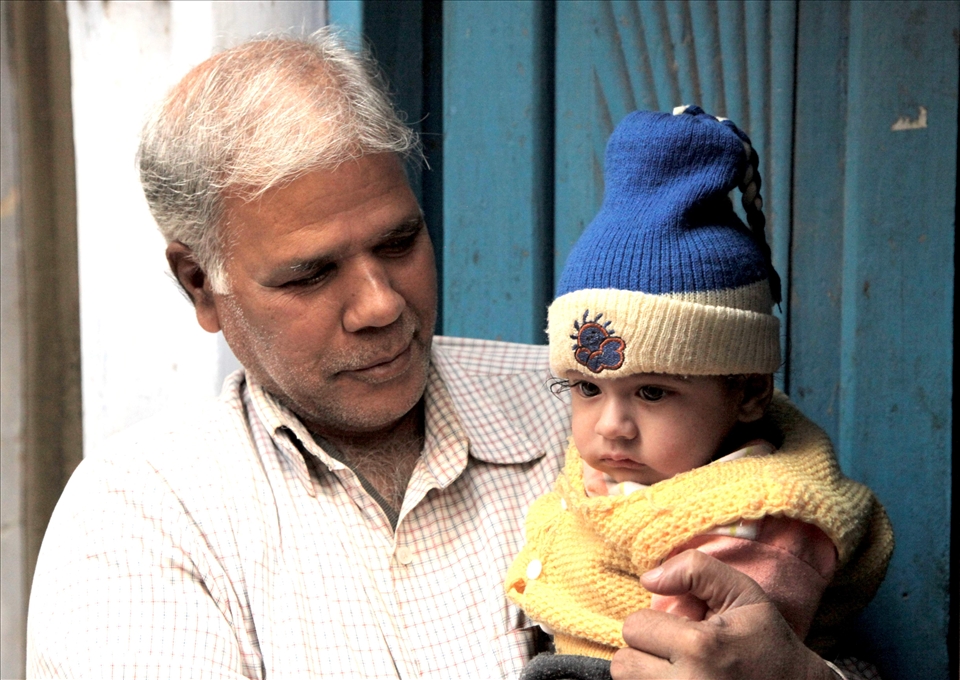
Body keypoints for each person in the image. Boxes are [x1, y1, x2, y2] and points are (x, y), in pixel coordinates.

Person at [25, 31, 882, 680]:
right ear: (199, 285)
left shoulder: (593, 409)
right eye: (312, 273)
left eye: (400, 241)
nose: (382, 304)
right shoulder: (142, 519)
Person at [504, 108, 893, 680]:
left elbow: (703, 655)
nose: (611, 425)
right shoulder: (639, 463)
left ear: (749, 393)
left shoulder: (758, 520)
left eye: (654, 393)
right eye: (587, 387)